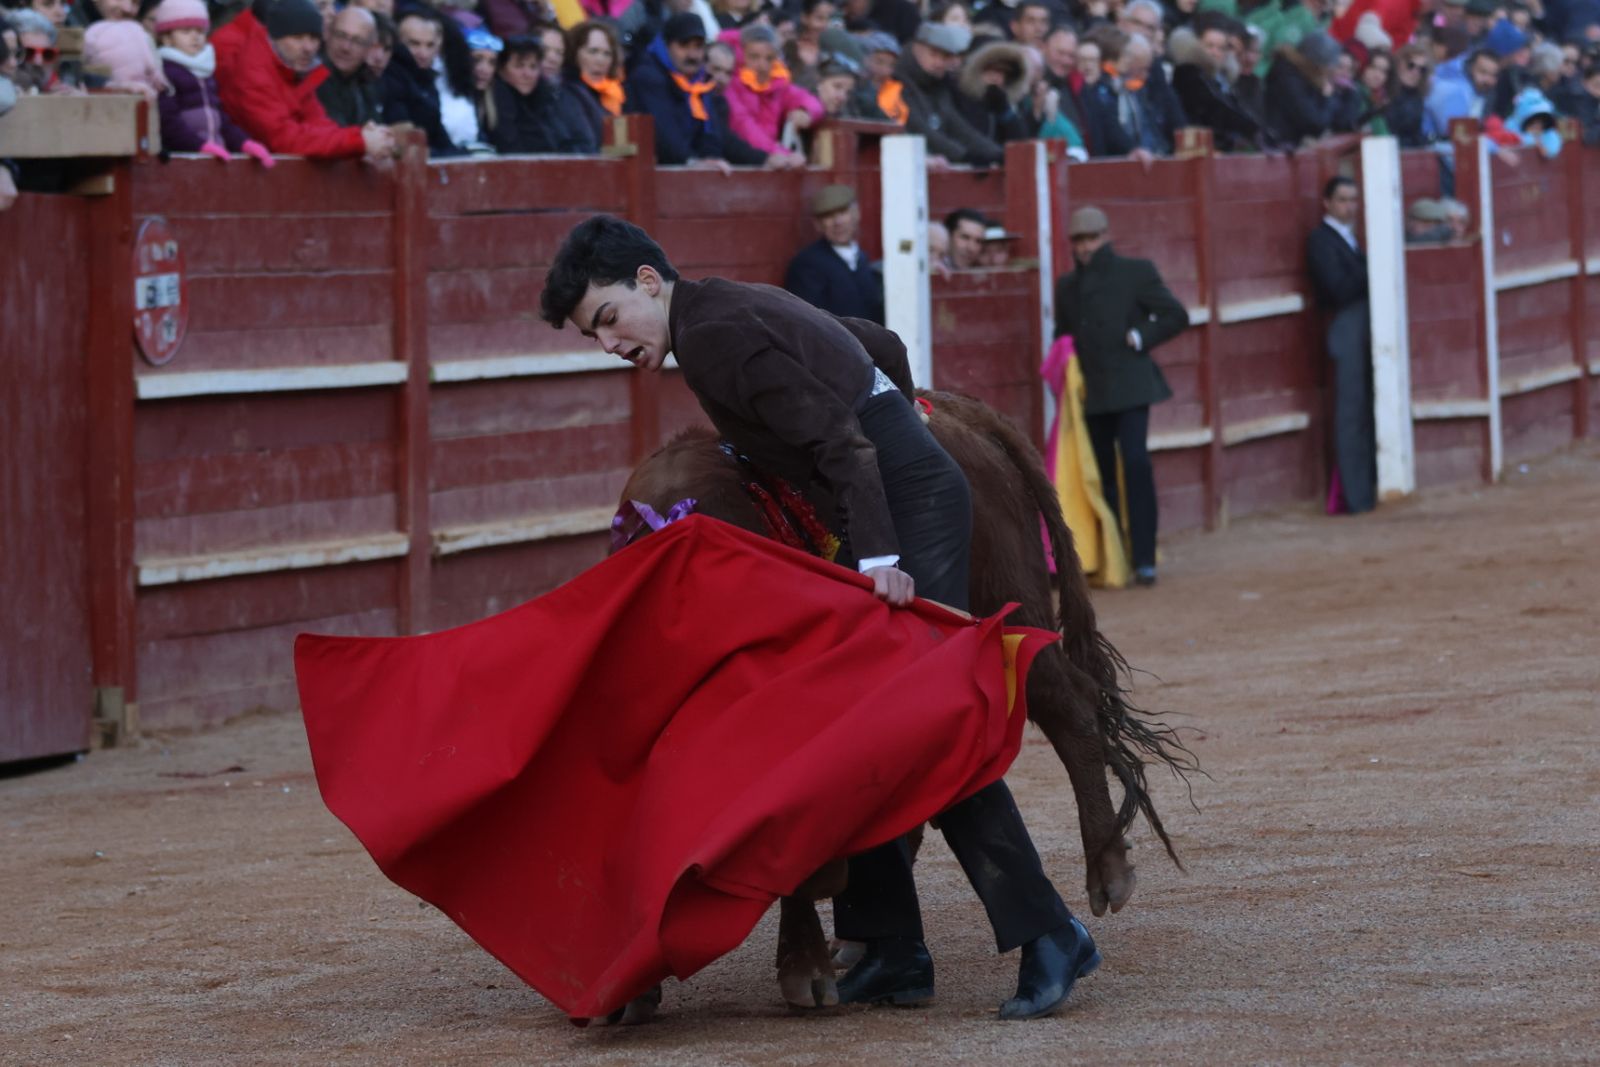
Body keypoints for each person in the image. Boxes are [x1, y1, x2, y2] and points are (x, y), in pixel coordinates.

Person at [539, 213, 1101, 1022]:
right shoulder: (724, 308)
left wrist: (878, 553)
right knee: (850, 721)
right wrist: (898, 414)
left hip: (902, 507)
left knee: (922, 724)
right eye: (592, 334)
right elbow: (874, 341)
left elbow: (846, 442)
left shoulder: (714, 336)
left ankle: (1050, 932)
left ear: (649, 282)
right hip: (893, 493)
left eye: (607, 319)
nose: (609, 343)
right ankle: (888, 944)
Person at [1053, 206, 1187, 586]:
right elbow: (1064, 335)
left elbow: (1175, 314)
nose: (1085, 247)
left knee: (1136, 463)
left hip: (1130, 385)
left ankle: (1144, 557)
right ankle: (1117, 555)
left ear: (1106, 236)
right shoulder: (1067, 287)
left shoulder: (1136, 272)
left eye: (1091, 239)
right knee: (1103, 476)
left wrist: (1141, 335)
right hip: (1092, 391)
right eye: (1078, 240)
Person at [217, 0, 394, 160]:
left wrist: (362, 135)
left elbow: (318, 123)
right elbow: (284, 139)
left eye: (313, 38)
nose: (308, 47)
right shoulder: (253, 72)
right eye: (297, 37)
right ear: (276, 37)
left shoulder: (297, 70)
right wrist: (359, 141)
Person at [1306, 176, 1375, 515]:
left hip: (1358, 328)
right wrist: (1374, 264)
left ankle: (1364, 491)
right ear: (1327, 203)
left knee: (1362, 410)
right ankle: (1353, 495)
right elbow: (1337, 289)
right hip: (1343, 329)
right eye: (1344, 200)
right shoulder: (1321, 241)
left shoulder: (1349, 239)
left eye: (1354, 199)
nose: (1350, 206)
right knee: (1350, 412)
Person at [149, 0, 273, 163]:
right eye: (186, 31)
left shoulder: (206, 72)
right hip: (181, 161)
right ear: (166, 38)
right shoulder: (165, 72)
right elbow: (168, 122)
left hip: (211, 158)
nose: (195, 37)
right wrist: (199, 146)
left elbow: (220, 119)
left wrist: (244, 142)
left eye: (200, 31)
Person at [895, 20, 1005, 165]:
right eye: (933, 54)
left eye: (945, 57)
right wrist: (964, 156)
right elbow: (919, 129)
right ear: (916, 49)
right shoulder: (894, 86)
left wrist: (998, 154)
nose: (939, 63)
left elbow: (959, 129)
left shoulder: (939, 87)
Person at [625, 11, 723, 164]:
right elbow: (663, 135)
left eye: (698, 47)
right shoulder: (648, 77)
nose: (692, 55)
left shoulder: (700, 83)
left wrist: (711, 159)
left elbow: (710, 132)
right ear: (666, 45)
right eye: (684, 46)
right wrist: (692, 162)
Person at [784, 184, 884, 323]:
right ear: (818, 224)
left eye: (843, 212)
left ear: (857, 214)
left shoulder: (862, 258)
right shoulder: (806, 265)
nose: (838, 222)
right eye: (828, 216)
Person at [489, 34, 600, 153]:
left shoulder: (548, 100)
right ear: (501, 70)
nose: (527, 74)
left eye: (533, 67)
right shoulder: (497, 101)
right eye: (519, 66)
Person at [317, 4, 383, 126]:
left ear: (369, 49)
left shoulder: (365, 80)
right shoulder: (314, 77)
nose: (346, 47)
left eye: (357, 41)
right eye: (340, 35)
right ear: (328, 34)